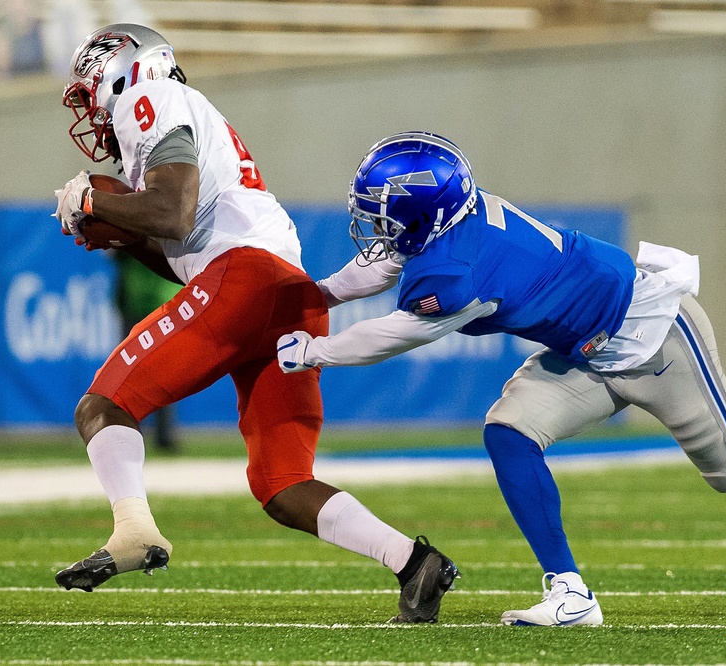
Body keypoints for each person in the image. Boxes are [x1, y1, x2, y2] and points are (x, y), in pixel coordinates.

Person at [276, 131, 726, 627]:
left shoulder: (457, 268)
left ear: (422, 213)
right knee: (508, 432)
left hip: (652, 335)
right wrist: (318, 293)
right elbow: (383, 264)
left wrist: (315, 351)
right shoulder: (451, 225)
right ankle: (570, 593)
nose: (374, 226)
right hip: (584, 352)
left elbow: (397, 334)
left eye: (383, 214)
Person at [52, 26, 458, 623]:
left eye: (91, 95)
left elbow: (172, 211)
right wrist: (117, 230)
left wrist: (94, 202)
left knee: (103, 406)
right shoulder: (179, 131)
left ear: (124, 75)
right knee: (283, 484)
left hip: (246, 280)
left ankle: (134, 530)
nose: (93, 116)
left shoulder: (156, 99)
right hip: (282, 295)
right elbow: (180, 250)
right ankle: (414, 563)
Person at [113, 251, 181, 451]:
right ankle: (135, 434)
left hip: (157, 301)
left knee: (156, 374)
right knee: (131, 375)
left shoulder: (150, 224)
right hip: (146, 299)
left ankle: (153, 435)